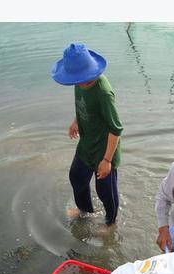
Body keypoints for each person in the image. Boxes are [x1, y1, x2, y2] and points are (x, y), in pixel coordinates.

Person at [51, 43, 123, 233]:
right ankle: (85, 212)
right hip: (86, 144)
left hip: (104, 150)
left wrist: (107, 161)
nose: (81, 82)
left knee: (105, 191)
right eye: (76, 79)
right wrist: (76, 120)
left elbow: (116, 129)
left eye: (84, 79)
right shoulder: (79, 82)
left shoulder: (103, 93)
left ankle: (110, 222)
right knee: (76, 177)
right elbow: (83, 104)